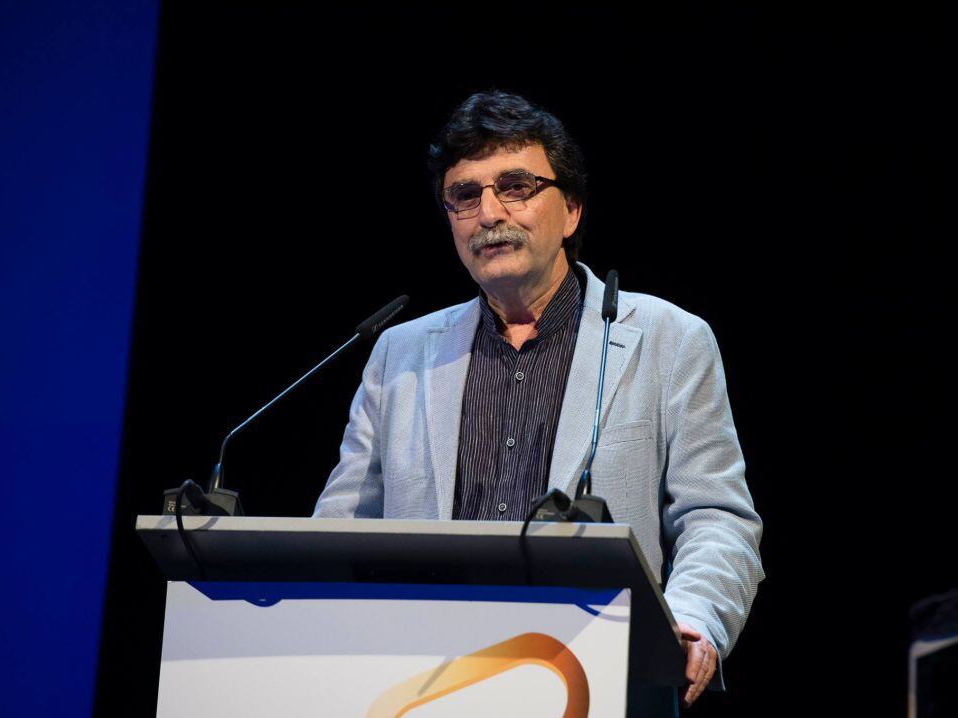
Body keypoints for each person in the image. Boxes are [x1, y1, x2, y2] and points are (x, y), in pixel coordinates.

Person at [314, 90, 763, 713]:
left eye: (516, 186)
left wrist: (693, 617)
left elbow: (717, 517)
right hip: (421, 687)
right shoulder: (401, 353)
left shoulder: (669, 339)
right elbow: (338, 533)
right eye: (465, 196)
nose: (489, 212)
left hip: (596, 678)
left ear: (571, 209)